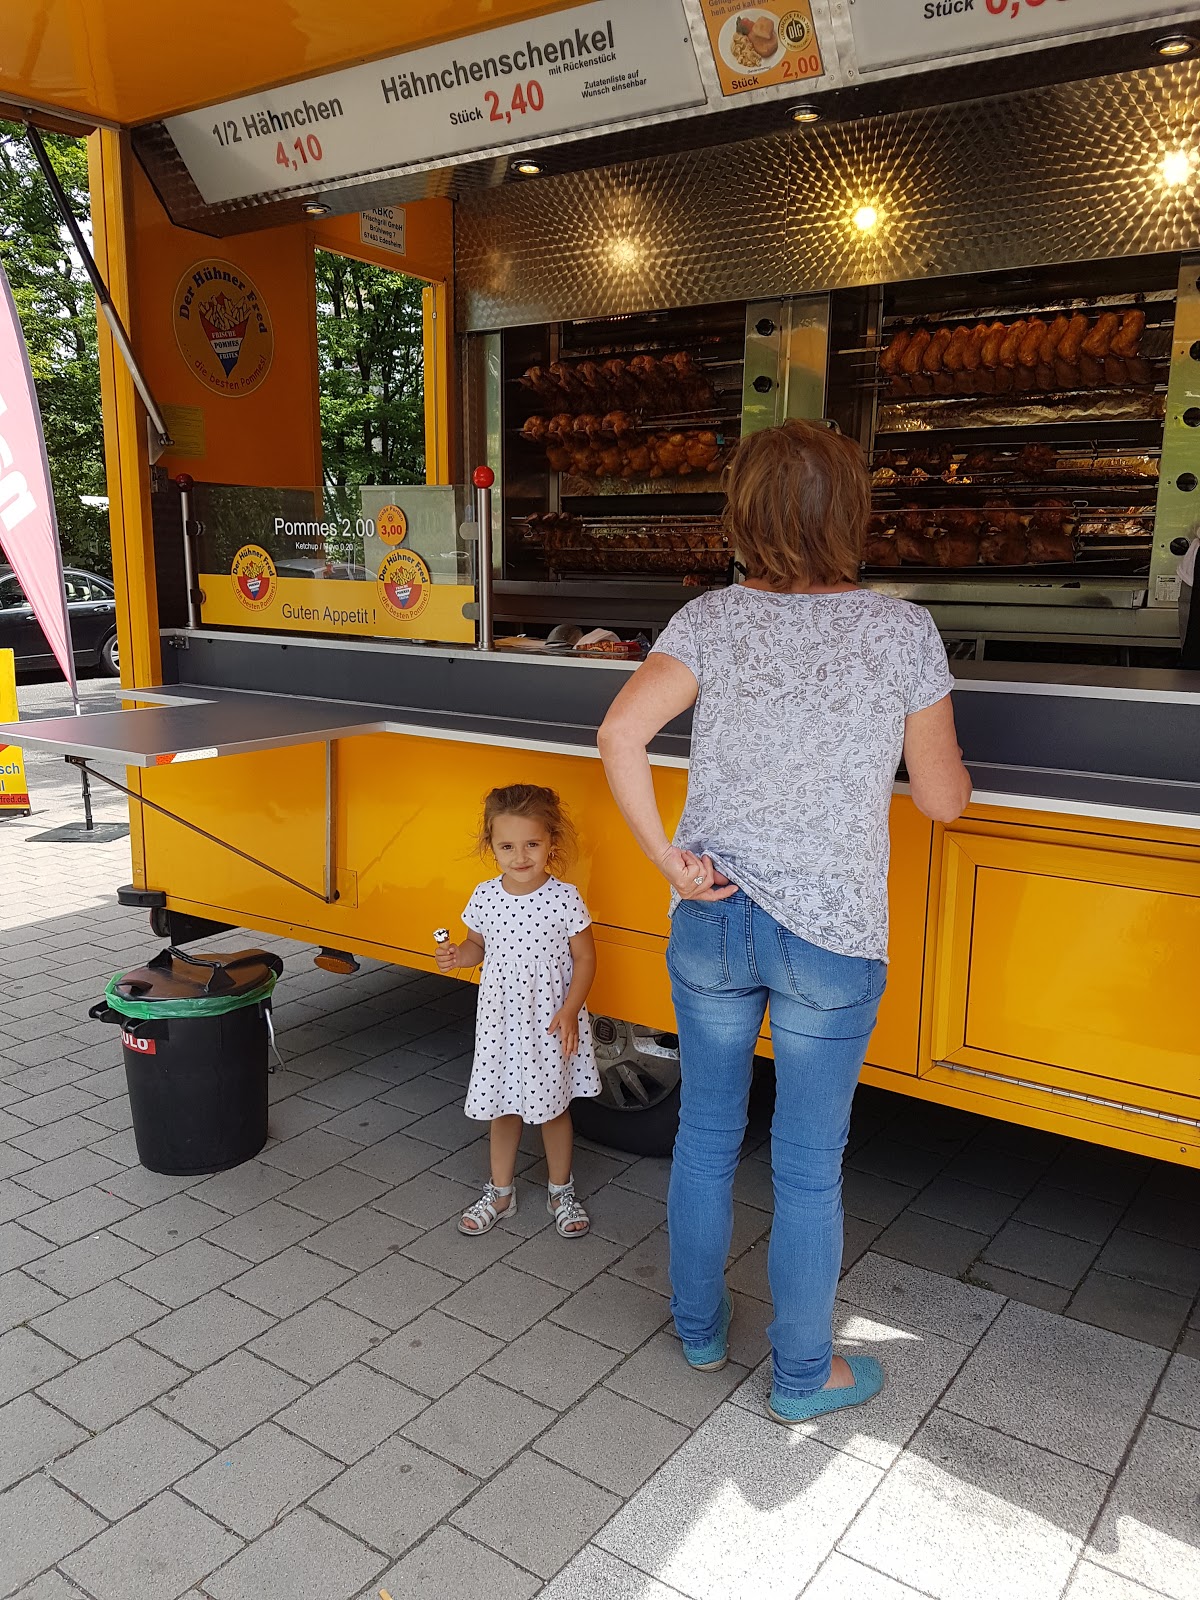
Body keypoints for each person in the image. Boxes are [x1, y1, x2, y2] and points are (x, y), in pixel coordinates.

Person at [598, 419, 972, 1426]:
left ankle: (697, 1327)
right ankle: (805, 1377)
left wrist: (667, 860)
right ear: (853, 511)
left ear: (742, 513)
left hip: (713, 915)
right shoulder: (902, 631)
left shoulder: (709, 619)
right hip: (831, 939)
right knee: (808, 1167)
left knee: (707, 1135)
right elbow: (943, 802)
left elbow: (620, 732)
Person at [436, 783, 600, 1238]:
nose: (520, 856)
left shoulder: (564, 897)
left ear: (552, 842)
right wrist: (458, 956)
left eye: (532, 844)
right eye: (507, 846)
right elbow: (476, 946)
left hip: (550, 1020)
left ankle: (560, 1191)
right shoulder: (485, 896)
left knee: (554, 1107)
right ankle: (500, 1193)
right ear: (491, 845)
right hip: (501, 1023)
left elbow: (586, 958)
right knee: (501, 1106)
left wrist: (571, 1009)